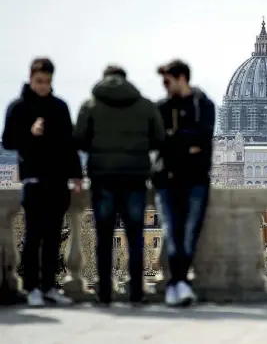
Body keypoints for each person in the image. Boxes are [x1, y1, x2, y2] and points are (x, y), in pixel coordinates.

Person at [74, 65, 164, 306]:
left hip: (103, 178)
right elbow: (158, 139)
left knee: (103, 239)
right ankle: (136, 294)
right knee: (135, 238)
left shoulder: (90, 104)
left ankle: (104, 295)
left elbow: (79, 139)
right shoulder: (145, 105)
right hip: (135, 178)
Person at [2, 58, 82, 307]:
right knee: (33, 236)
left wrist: (77, 174)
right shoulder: (18, 107)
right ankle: (32, 287)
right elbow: (8, 141)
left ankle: (49, 287)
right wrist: (30, 132)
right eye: (39, 81)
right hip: (34, 179)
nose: (43, 86)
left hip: (57, 180)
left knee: (53, 237)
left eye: (47, 82)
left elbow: (69, 143)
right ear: (30, 78)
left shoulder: (59, 107)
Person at [153, 60, 215, 306]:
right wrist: (187, 144)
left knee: (189, 234)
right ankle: (178, 283)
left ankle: (178, 283)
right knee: (171, 234)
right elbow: (160, 141)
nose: (164, 86)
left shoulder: (204, 105)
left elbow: (203, 138)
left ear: (182, 79)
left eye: (167, 81)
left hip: (195, 179)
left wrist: (176, 140)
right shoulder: (161, 107)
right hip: (167, 180)